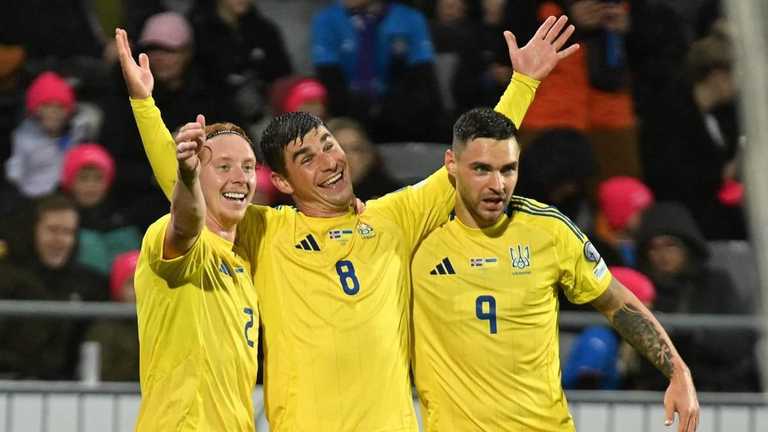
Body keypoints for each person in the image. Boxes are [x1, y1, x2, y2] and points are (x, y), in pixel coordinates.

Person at [117, 15, 578, 430]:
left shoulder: (394, 218)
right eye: (306, 158)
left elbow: (472, 160)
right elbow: (194, 193)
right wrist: (147, 109)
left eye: (328, 144)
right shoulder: (265, 232)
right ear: (280, 179)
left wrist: (523, 85)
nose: (329, 161)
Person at [411, 108, 699, 431]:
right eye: (482, 169)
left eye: (508, 170)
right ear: (451, 164)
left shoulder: (549, 230)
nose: (497, 185)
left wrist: (677, 372)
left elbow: (617, 302)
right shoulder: (416, 237)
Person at [132, 114, 260, 429]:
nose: (240, 177)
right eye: (224, 166)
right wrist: (186, 178)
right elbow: (186, 224)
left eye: (248, 167)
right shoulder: (175, 236)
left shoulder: (242, 265)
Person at [633, 202, 761, 392]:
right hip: (660, 394)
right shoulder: (641, 289)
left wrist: (695, 335)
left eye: (670, 245)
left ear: (687, 246)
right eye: (654, 248)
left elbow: (739, 341)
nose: (663, 255)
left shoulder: (716, 284)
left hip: (720, 391)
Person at [0, 194, 107, 380]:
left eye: (68, 232)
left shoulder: (90, 284)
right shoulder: (7, 279)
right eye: (52, 230)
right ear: (33, 230)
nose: (60, 240)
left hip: (70, 393)